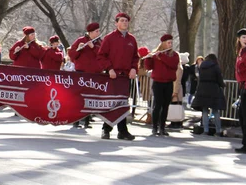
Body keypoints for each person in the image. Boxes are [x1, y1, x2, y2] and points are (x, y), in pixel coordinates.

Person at [97, 12, 138, 141]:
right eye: (122, 21)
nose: (124, 23)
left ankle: (122, 131)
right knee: (111, 102)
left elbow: (136, 57)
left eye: (126, 21)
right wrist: (109, 68)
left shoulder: (132, 39)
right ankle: (106, 129)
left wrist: (133, 68)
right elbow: (101, 55)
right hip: (112, 75)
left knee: (123, 103)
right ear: (116, 23)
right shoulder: (110, 38)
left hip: (125, 76)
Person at [144, 34, 180, 136]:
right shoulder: (157, 54)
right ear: (163, 44)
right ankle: (155, 127)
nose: (170, 44)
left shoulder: (174, 55)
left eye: (171, 42)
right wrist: (149, 58)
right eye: (168, 43)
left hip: (168, 83)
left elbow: (173, 65)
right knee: (157, 105)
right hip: (158, 83)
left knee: (165, 106)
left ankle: (162, 127)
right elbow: (148, 66)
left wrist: (161, 57)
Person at [68, 22, 103, 128]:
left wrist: (93, 48)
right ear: (90, 33)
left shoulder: (100, 42)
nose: (98, 33)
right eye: (96, 31)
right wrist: (79, 49)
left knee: (90, 97)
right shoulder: (80, 40)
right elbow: (71, 54)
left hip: (94, 74)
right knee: (79, 97)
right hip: (81, 72)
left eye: (98, 31)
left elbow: (103, 55)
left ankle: (87, 121)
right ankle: (76, 121)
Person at [191, 53, 226, 136]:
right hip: (214, 90)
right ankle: (218, 130)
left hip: (203, 89)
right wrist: (223, 85)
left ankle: (205, 130)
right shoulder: (216, 67)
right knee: (215, 110)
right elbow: (219, 79)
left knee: (205, 110)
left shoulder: (202, 67)